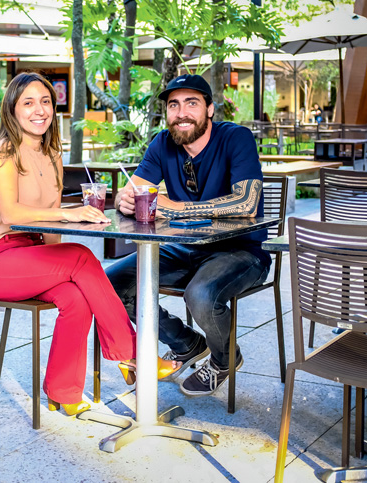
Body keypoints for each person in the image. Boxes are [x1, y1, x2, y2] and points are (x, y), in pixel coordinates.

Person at [0, 72, 159, 416]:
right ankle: (132, 353)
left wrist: (61, 257)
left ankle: (62, 392)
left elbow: (49, 221)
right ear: (12, 109)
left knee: (76, 294)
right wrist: (71, 215)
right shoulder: (3, 152)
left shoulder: (51, 154)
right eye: (28, 102)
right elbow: (10, 213)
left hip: (27, 257)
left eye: (46, 102)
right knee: (81, 257)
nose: (40, 110)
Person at [106, 74, 269, 398]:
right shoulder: (162, 144)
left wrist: (178, 210)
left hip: (240, 251)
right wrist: (124, 200)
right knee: (110, 283)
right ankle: (185, 342)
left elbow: (248, 203)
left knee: (202, 295)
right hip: (183, 248)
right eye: (174, 105)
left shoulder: (236, 138)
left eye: (191, 103)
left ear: (209, 109)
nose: (182, 112)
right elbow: (132, 191)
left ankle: (224, 359)